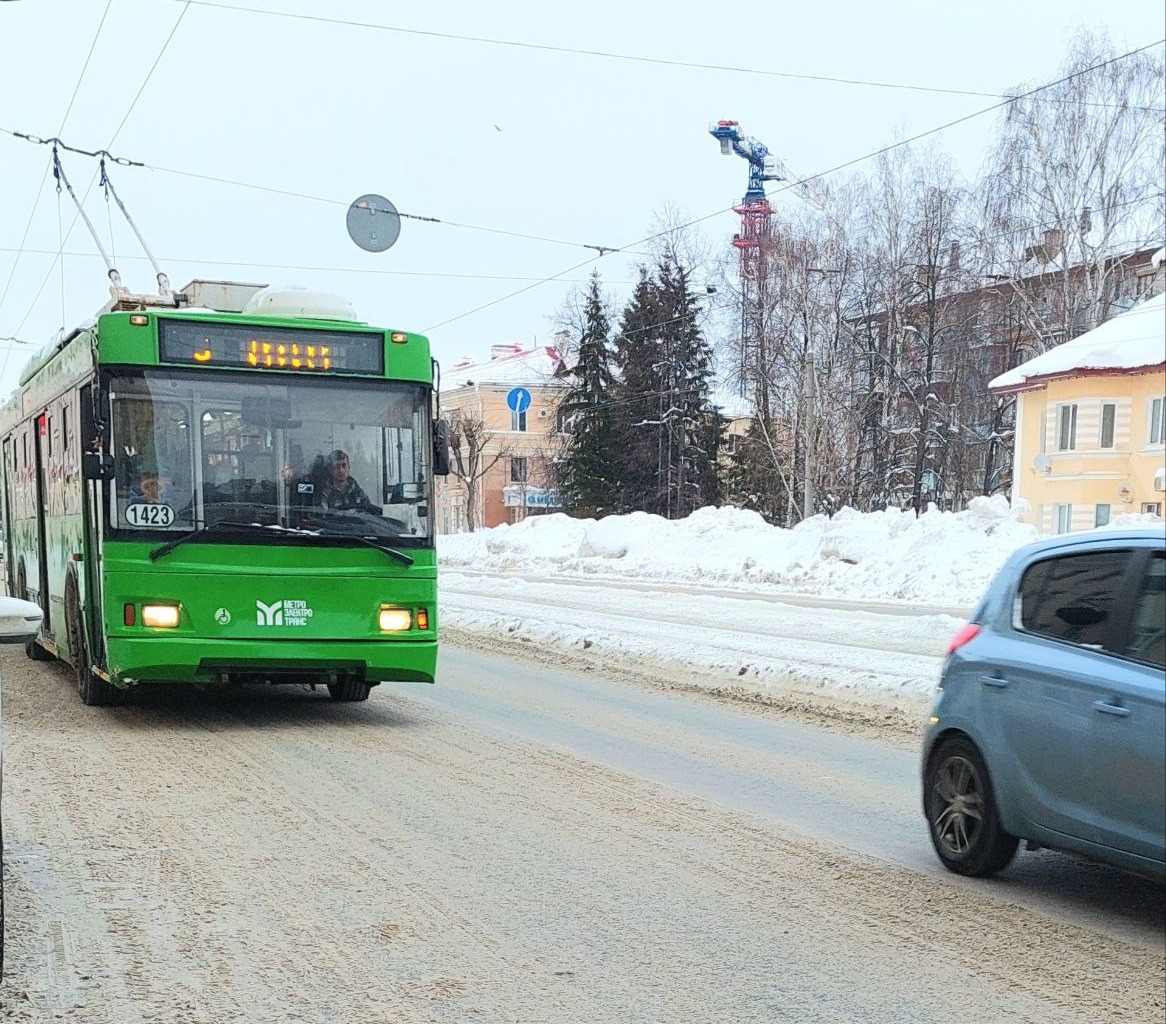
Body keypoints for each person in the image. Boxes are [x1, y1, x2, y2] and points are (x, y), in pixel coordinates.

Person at [316, 449, 376, 513]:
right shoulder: (324, 494)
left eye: (344, 465)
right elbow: (322, 518)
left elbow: (369, 512)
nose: (341, 470)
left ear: (349, 468)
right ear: (331, 470)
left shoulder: (357, 491)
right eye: (337, 466)